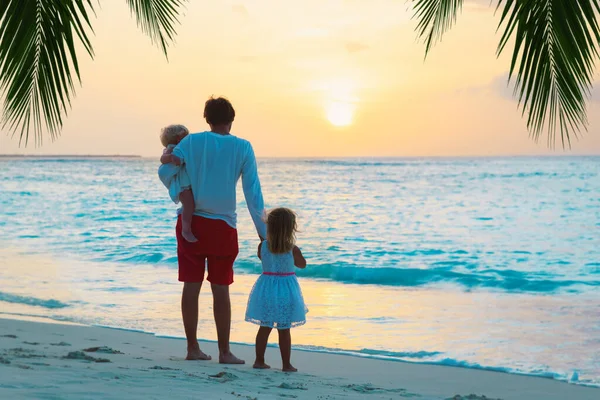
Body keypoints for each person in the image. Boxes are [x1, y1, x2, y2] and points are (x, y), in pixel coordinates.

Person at [159, 97, 267, 364]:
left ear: (206, 118)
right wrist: (264, 235)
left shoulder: (190, 141)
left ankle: (192, 348)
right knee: (221, 290)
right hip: (222, 227)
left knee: (191, 286)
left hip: (191, 221)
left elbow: (168, 169)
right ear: (231, 119)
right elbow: (253, 193)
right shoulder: (243, 147)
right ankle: (224, 352)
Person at [245, 207, 307, 372]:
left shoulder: (263, 246)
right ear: (290, 229)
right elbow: (302, 264)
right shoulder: (292, 249)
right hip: (286, 291)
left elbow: (261, 257)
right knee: (284, 329)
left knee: (265, 326)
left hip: (266, 289)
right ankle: (286, 364)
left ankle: (259, 360)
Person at [158, 124, 197, 243]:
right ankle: (186, 230)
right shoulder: (172, 148)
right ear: (177, 138)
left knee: (190, 205)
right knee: (189, 205)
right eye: (185, 136)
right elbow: (162, 159)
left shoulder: (185, 147)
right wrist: (171, 158)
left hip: (187, 183)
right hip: (182, 186)